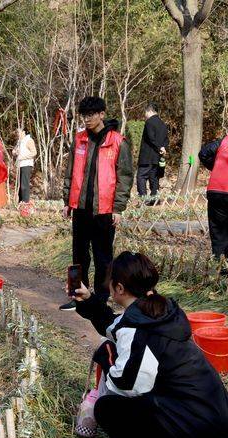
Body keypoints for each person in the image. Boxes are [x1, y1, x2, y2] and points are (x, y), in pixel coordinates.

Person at [71, 252, 228, 438]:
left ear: (119, 288)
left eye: (109, 282)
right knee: (153, 400)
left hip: (198, 426)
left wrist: (107, 359)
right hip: (216, 416)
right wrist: (89, 301)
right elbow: (116, 327)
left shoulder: (139, 329)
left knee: (108, 409)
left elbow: (126, 385)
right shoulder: (161, 311)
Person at [61, 96, 133, 310]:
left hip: (105, 209)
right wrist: (67, 200)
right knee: (78, 255)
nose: (87, 119)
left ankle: (101, 298)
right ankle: (76, 295)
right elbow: (70, 172)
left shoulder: (117, 141)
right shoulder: (79, 139)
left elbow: (125, 176)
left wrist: (118, 207)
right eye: (84, 115)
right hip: (80, 208)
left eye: (91, 114)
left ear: (102, 114)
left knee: (103, 257)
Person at [199, 134, 228, 260]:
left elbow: (203, 153)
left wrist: (216, 168)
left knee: (219, 233)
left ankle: (220, 271)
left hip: (217, 189)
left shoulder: (227, 139)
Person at [137, 102, 169, 203]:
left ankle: (144, 199)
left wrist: (159, 147)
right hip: (157, 157)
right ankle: (155, 199)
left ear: (149, 111)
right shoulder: (163, 124)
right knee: (154, 177)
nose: (145, 115)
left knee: (141, 177)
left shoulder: (149, 122)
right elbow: (166, 139)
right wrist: (163, 147)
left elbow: (151, 138)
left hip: (147, 156)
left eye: (145, 112)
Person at [12, 127, 37, 204]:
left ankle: (25, 203)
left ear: (24, 132)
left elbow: (34, 152)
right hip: (20, 165)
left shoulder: (29, 140)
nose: (17, 134)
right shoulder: (20, 142)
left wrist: (22, 157)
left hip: (26, 164)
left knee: (24, 185)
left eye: (19, 132)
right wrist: (15, 152)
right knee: (20, 185)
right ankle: (20, 202)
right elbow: (15, 151)